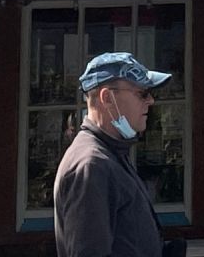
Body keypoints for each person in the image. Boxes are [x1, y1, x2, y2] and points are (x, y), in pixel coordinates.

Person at [53, 51, 184, 257]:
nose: (151, 101)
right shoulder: (92, 165)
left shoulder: (112, 154)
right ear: (107, 98)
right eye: (142, 93)